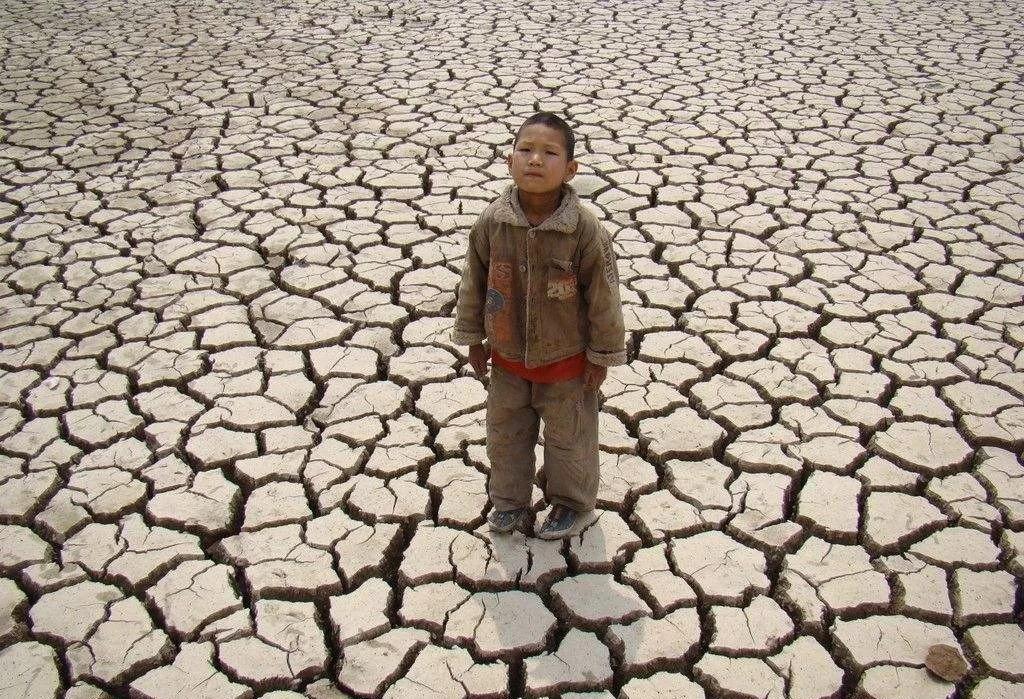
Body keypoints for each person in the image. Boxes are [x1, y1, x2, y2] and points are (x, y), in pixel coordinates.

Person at [452, 112, 627, 539]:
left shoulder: (584, 231)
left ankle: (571, 504)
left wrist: (602, 356)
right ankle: (509, 504)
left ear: (570, 170)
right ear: (509, 160)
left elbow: (604, 298)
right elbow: (473, 283)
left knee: (569, 443)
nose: (535, 160)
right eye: (525, 149)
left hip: (566, 366)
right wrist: (473, 339)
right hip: (508, 361)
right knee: (506, 438)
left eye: (549, 153)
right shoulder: (492, 223)